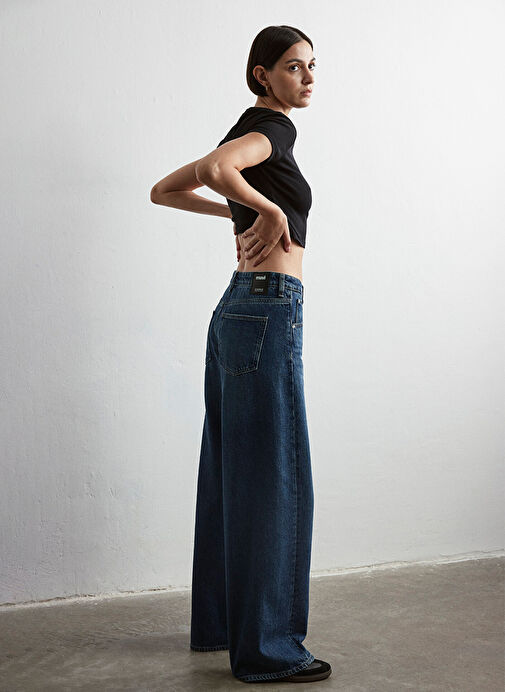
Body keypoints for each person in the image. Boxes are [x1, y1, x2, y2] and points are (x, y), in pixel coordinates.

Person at [151, 25, 331, 684]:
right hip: (268, 308)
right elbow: (216, 173)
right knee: (276, 476)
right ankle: (268, 650)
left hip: (236, 310)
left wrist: (240, 211)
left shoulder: (246, 130)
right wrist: (267, 212)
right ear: (263, 75)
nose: (307, 78)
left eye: (312, 66)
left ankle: (222, 627)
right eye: (293, 67)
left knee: (233, 471)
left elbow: (168, 188)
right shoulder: (272, 128)